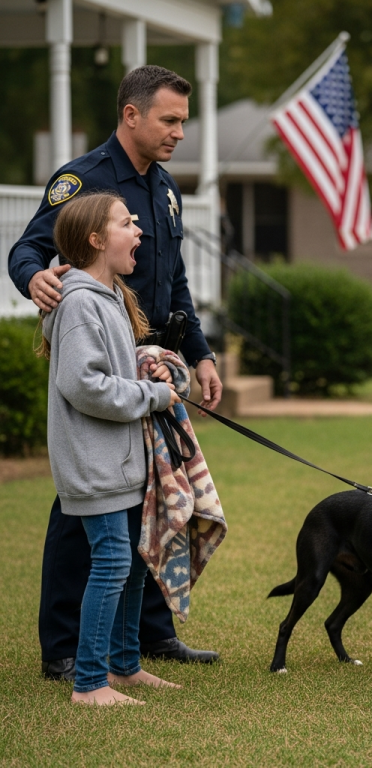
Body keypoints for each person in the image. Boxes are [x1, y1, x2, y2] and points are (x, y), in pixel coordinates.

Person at [8, 65, 223, 680]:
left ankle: (150, 637)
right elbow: (28, 247)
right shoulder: (84, 180)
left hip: (151, 364)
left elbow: (174, 282)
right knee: (85, 507)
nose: (180, 131)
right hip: (102, 353)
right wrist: (34, 278)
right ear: (132, 115)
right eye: (170, 119)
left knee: (150, 496)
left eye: (183, 120)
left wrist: (201, 353)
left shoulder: (165, 189)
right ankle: (63, 647)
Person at [41, 190, 183, 705]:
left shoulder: (109, 297)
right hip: (95, 465)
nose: (140, 230)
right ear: (96, 240)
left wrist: (149, 363)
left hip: (121, 464)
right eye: (127, 222)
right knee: (111, 564)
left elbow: (111, 368)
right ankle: (90, 682)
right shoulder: (81, 301)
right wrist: (152, 395)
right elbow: (85, 385)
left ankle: (124, 666)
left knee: (133, 565)